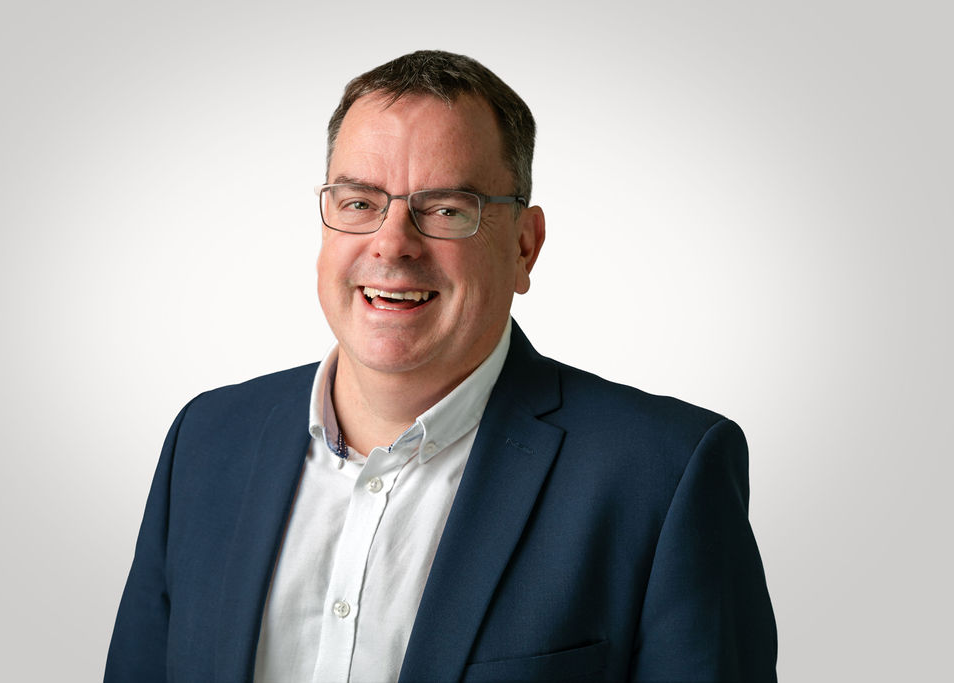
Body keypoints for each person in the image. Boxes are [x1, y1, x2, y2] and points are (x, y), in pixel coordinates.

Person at [105, 50, 777, 682]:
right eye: (360, 203)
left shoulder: (662, 474)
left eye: (447, 209)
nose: (393, 244)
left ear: (523, 246)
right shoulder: (206, 439)